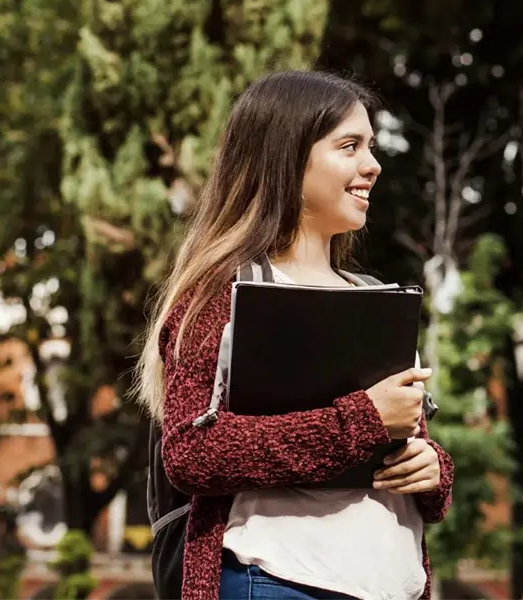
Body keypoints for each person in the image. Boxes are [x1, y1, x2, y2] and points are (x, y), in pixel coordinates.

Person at [137, 70, 453, 600]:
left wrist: (431, 467)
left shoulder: (376, 298)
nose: (372, 166)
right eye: (349, 146)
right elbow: (191, 452)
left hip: (392, 584)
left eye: (371, 147)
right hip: (278, 581)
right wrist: (363, 420)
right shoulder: (221, 296)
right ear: (286, 158)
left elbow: (403, 444)